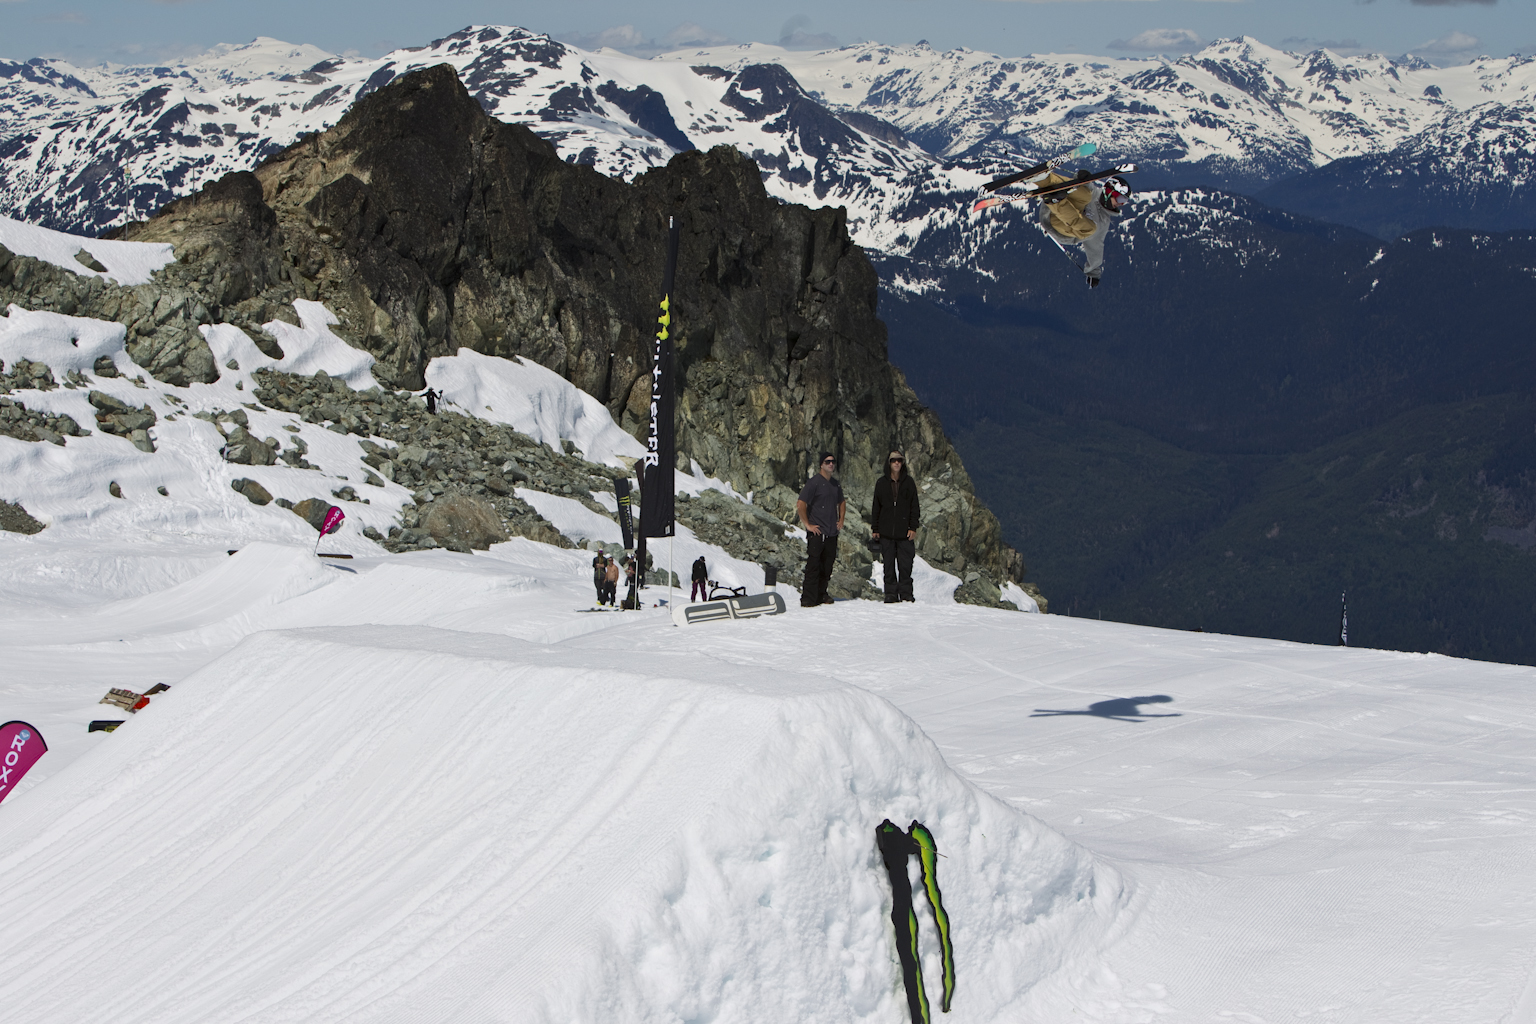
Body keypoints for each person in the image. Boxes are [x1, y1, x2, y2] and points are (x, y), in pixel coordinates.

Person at [1037, 172, 1131, 288]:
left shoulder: (1103, 222)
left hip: (1061, 229)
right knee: (1085, 193)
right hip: (1049, 210)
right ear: (1109, 192)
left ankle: (1055, 201)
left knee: (1090, 229)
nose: (1120, 204)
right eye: (1120, 199)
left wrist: (1094, 272)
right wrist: (1082, 177)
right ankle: (1041, 179)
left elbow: (1096, 247)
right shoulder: (1094, 193)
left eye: (1124, 201)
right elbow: (1084, 184)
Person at [796, 451, 845, 607]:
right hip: (817, 532)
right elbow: (801, 504)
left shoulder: (835, 484)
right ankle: (809, 598)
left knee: (827, 565)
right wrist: (808, 524)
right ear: (821, 465)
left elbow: (842, 502)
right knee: (814, 565)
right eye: (827, 462)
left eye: (833, 461)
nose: (831, 464)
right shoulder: (813, 483)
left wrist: (841, 520)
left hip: (831, 532)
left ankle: (821, 594)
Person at [871, 449, 920, 603]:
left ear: (903, 462)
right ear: (889, 463)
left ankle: (906, 593)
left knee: (905, 566)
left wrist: (913, 527)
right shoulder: (881, 483)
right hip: (886, 533)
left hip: (905, 533)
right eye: (893, 460)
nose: (896, 463)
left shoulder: (909, 482)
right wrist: (875, 529)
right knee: (889, 566)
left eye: (899, 460)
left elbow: (915, 507)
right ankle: (890, 593)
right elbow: (876, 507)